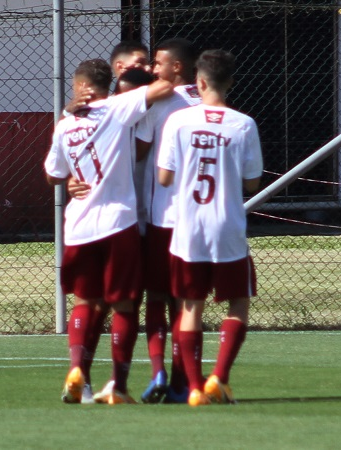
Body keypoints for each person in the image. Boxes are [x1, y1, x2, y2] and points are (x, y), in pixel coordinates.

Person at [45, 58, 173, 405]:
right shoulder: (117, 107)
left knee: (86, 301)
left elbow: (52, 174)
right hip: (118, 223)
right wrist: (154, 74)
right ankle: (117, 384)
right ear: (106, 86)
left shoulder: (66, 122)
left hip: (79, 227)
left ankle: (76, 371)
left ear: (80, 88)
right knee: (125, 305)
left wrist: (67, 117)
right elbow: (164, 89)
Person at [157, 49, 263, 406]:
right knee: (238, 303)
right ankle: (220, 377)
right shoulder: (243, 123)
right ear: (230, 83)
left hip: (187, 228)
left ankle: (195, 389)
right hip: (227, 227)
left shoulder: (178, 121)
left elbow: (164, 175)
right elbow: (252, 182)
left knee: (190, 306)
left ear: (199, 82)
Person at [134, 38, 202, 404]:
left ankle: (158, 368)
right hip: (198, 221)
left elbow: (137, 152)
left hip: (162, 217)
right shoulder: (210, 103)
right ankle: (183, 382)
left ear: (177, 68)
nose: (153, 69)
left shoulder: (159, 103)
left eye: (158, 63)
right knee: (190, 303)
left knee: (157, 298)